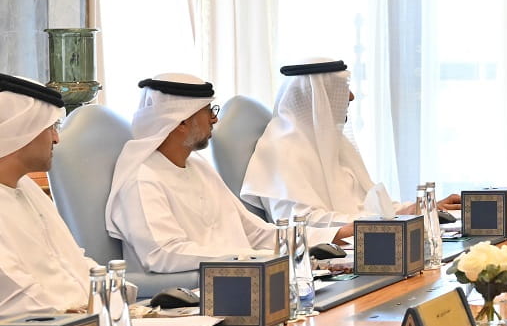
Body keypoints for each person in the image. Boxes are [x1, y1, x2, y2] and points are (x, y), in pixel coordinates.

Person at [105, 74, 279, 273]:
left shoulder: (199, 166)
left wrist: (309, 239)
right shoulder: (142, 179)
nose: (215, 119)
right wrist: (245, 257)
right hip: (190, 292)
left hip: (242, 273)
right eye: (208, 111)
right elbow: (163, 253)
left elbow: (254, 232)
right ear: (180, 122)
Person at [243, 59, 413, 236]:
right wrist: (384, 221)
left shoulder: (333, 142)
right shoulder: (279, 149)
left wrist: (413, 210)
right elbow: (301, 223)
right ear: (313, 95)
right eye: (339, 88)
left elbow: (365, 202)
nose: (351, 97)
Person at [0, 73, 94, 317]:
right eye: (50, 127)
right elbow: (20, 302)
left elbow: (76, 261)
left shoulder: (28, 188)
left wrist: (115, 295)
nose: (56, 138)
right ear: (21, 130)